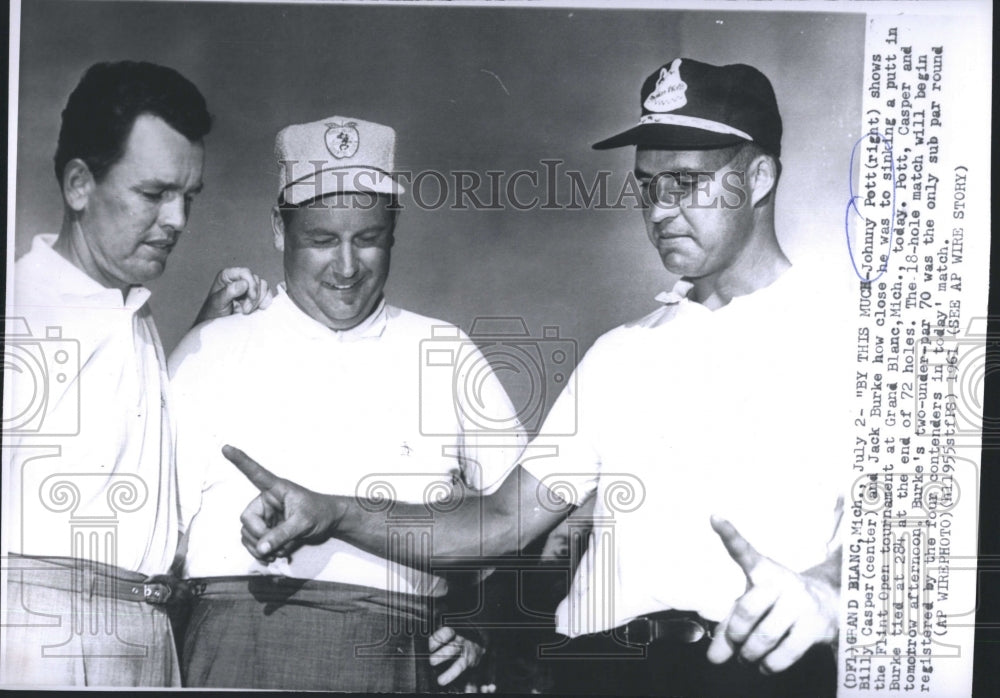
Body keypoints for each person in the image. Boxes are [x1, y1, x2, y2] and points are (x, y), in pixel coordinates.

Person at [225, 58, 854, 697]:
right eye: (647, 186)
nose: (660, 210)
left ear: (760, 177)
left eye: (686, 183)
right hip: (597, 671)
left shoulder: (857, 342)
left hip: (754, 674)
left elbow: (912, 536)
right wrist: (333, 512)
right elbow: (501, 520)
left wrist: (829, 590)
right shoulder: (623, 352)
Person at [167, 115, 527, 691]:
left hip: (398, 659)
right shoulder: (212, 345)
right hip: (234, 656)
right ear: (280, 231)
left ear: (394, 231)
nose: (346, 267)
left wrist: (481, 618)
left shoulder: (444, 349)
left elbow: (530, 521)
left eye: (367, 238)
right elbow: (159, 541)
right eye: (321, 240)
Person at [1, 60, 270, 687]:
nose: (176, 220)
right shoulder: (19, 310)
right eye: (153, 194)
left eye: (188, 197)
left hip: (147, 639)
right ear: (78, 185)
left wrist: (202, 334)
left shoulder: (131, 312)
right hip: (40, 646)